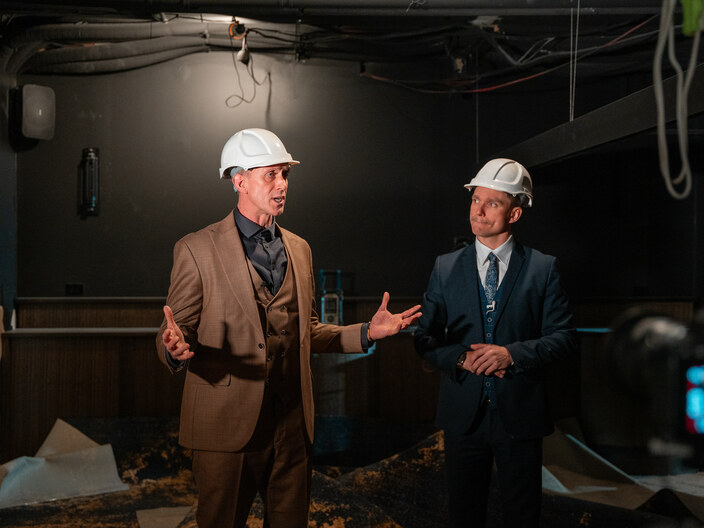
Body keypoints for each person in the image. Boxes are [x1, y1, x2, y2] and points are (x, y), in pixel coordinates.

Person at [156, 128, 421, 528]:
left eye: (285, 175)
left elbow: (307, 331)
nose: (282, 185)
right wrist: (173, 348)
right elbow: (176, 329)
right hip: (226, 427)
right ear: (239, 181)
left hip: (292, 425)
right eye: (271, 175)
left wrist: (367, 332)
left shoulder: (299, 248)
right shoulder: (196, 248)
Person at [414, 158, 577, 528]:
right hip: (463, 417)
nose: (479, 211)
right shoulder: (444, 267)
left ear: (514, 213)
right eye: (475, 200)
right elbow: (424, 338)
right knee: (464, 515)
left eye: (492, 203)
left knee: (522, 516)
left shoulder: (543, 268)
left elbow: (565, 338)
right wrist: (459, 358)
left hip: (520, 415)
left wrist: (511, 355)